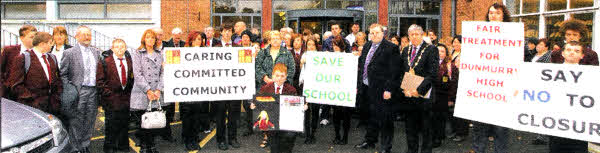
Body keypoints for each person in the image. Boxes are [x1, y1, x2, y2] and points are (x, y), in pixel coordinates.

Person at [469, 3, 512, 153]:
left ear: (504, 16)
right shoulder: (478, 34)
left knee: (501, 133)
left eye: (497, 13)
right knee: (479, 133)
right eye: (491, 13)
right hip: (481, 92)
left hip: (501, 93)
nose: (493, 16)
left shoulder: (512, 36)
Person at [354, 23, 402, 153]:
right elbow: (363, 66)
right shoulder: (367, 46)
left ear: (383, 33)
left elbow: (395, 71)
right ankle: (370, 140)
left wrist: (389, 89)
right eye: (372, 33)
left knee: (385, 119)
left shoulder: (391, 48)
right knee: (370, 116)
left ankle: (386, 147)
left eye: (377, 32)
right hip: (366, 87)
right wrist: (359, 85)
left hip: (382, 90)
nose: (374, 35)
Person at [548, 41, 596, 153]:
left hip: (579, 127)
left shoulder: (590, 75)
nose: (572, 53)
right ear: (563, 53)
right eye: (569, 50)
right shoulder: (550, 73)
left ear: (582, 56)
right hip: (556, 125)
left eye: (576, 51)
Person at [60, 26, 101, 153]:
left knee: (90, 118)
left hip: (93, 91)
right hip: (78, 91)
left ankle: (85, 144)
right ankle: (76, 147)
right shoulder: (69, 53)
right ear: (76, 36)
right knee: (76, 120)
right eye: (83, 35)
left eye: (88, 34)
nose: (87, 37)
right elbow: (63, 74)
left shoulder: (96, 52)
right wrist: (71, 90)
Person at [399, 24, 439, 153]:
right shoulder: (406, 50)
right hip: (409, 95)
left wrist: (419, 90)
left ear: (422, 35)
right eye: (412, 34)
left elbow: (432, 74)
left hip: (423, 96)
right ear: (409, 36)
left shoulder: (431, 49)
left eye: (417, 34)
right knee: (410, 128)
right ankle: (412, 150)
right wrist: (404, 89)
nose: (414, 37)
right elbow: (401, 71)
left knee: (426, 129)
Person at [254, 31, 296, 147]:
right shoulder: (263, 52)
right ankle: (266, 136)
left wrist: (281, 81)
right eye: (273, 38)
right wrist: (265, 78)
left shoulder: (286, 53)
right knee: (266, 112)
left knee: (279, 112)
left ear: (281, 39)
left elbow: (292, 69)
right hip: (266, 86)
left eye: (278, 38)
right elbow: (257, 66)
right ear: (270, 40)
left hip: (282, 87)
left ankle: (279, 136)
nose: (276, 40)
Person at [8, 31, 63, 118]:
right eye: (50, 43)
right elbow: (16, 85)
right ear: (42, 44)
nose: (52, 45)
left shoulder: (52, 58)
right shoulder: (23, 58)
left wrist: (56, 98)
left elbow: (58, 79)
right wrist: (31, 101)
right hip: (32, 107)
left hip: (52, 106)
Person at [130, 29, 166, 153]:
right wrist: (148, 90)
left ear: (156, 40)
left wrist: (158, 89)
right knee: (143, 121)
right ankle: (145, 146)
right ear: (144, 39)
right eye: (148, 37)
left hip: (156, 93)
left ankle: (152, 145)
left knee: (154, 120)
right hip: (142, 92)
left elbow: (163, 73)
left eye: (152, 38)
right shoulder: (138, 53)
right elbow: (137, 74)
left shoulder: (160, 53)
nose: (150, 40)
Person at [254, 63, 302, 153]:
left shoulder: (291, 90)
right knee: (275, 148)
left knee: (288, 141)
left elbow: (296, 107)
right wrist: (254, 105)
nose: (279, 78)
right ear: (272, 75)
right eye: (277, 75)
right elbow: (259, 103)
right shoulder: (265, 88)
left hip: (287, 123)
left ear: (286, 77)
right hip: (272, 123)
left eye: (282, 76)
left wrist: (303, 107)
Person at [96, 39, 134, 153]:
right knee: (111, 125)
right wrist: (109, 95)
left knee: (124, 124)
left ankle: (123, 146)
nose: (120, 49)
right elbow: (100, 81)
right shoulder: (105, 61)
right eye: (117, 47)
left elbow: (131, 78)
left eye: (122, 46)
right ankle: (110, 148)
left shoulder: (129, 60)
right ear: (112, 49)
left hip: (125, 99)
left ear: (125, 48)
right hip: (111, 99)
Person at [179, 31, 210, 151]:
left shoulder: (206, 53)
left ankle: (194, 137)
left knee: (197, 115)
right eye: (197, 39)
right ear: (191, 40)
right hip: (186, 90)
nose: (199, 41)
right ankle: (187, 139)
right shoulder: (183, 52)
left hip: (199, 89)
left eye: (200, 39)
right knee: (187, 116)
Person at [213, 27, 243, 150]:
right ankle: (220, 140)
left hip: (234, 88)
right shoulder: (215, 48)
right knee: (220, 115)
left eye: (229, 31)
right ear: (221, 32)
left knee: (233, 115)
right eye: (224, 30)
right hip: (220, 88)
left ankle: (232, 138)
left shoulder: (238, 48)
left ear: (232, 33)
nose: (226, 33)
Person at [1, 25, 37, 99]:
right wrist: (3, 87)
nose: (35, 39)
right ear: (22, 38)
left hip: (30, 96)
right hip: (9, 94)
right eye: (31, 37)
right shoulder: (9, 51)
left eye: (36, 37)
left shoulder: (39, 53)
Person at [329, 35, 352, 146]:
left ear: (342, 46)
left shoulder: (349, 57)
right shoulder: (329, 57)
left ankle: (345, 137)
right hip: (335, 90)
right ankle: (337, 135)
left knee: (346, 115)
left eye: (337, 45)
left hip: (346, 90)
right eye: (333, 45)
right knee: (336, 115)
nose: (335, 47)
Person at [156, 28, 178, 143]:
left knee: (168, 110)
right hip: (154, 85)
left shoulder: (168, 47)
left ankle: (167, 133)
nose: (158, 37)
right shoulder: (149, 48)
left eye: (160, 35)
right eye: (156, 35)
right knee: (154, 110)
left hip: (168, 83)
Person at [300, 36, 320, 144]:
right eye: (309, 45)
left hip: (316, 87)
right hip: (306, 86)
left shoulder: (320, 56)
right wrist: (302, 63)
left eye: (313, 45)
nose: (311, 47)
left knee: (315, 111)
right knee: (306, 111)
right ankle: (307, 135)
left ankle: (313, 133)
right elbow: (301, 71)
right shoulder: (304, 55)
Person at [432, 44, 452, 148]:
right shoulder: (431, 63)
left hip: (442, 96)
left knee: (440, 118)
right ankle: (432, 136)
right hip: (431, 94)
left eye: (442, 51)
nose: (440, 53)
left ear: (446, 54)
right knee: (431, 117)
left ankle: (438, 138)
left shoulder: (449, 66)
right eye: (438, 51)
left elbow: (451, 83)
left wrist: (450, 98)